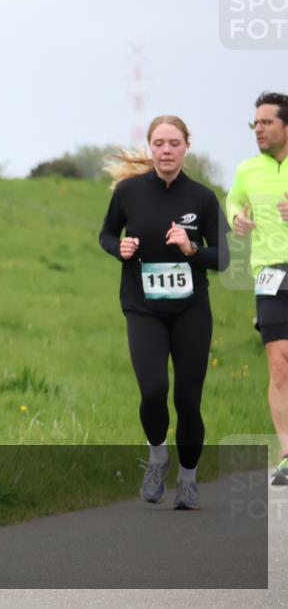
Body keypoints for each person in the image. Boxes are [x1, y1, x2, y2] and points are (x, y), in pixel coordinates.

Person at [100, 115, 230, 509]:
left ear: (187, 146)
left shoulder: (203, 198)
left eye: (174, 143)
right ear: (150, 147)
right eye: (159, 143)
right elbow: (107, 233)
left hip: (191, 311)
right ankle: (157, 456)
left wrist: (192, 249)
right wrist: (119, 248)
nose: (167, 150)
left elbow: (225, 257)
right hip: (143, 309)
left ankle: (188, 479)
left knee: (188, 401)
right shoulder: (128, 192)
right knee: (154, 390)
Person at [226, 91, 288, 486]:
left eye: (266, 122)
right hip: (271, 275)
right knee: (279, 363)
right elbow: (233, 199)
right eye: (255, 123)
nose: (258, 129)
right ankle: (287, 454)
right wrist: (236, 218)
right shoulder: (247, 170)